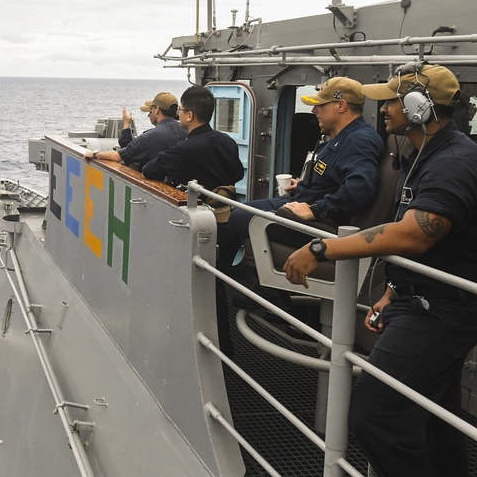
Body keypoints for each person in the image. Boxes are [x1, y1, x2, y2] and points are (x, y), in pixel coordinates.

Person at [283, 64, 477, 477]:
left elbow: (416, 235)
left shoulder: (455, 162)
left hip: (441, 311)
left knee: (376, 416)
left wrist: (323, 247)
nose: (383, 108)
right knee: (435, 418)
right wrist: (393, 290)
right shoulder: (425, 153)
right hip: (419, 298)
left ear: (418, 108)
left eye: (391, 100)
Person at [215, 77, 384, 353]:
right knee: (240, 212)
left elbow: (360, 188)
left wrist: (315, 208)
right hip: (303, 203)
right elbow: (332, 177)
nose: (315, 111)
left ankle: (262, 292)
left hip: (322, 225)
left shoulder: (360, 140)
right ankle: (233, 279)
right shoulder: (342, 139)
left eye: (320, 106)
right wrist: (301, 183)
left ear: (341, 106)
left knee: (242, 219)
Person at [140, 85, 245, 190]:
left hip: (195, 204)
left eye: (180, 109)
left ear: (190, 115)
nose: (179, 114)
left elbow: (148, 171)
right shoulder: (228, 141)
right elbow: (239, 175)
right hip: (227, 203)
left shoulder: (182, 149)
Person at [84, 92, 185, 168]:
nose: (149, 114)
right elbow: (131, 146)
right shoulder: (187, 131)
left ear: (157, 109)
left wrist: (94, 154)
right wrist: (127, 125)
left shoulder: (150, 137)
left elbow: (118, 156)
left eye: (151, 110)